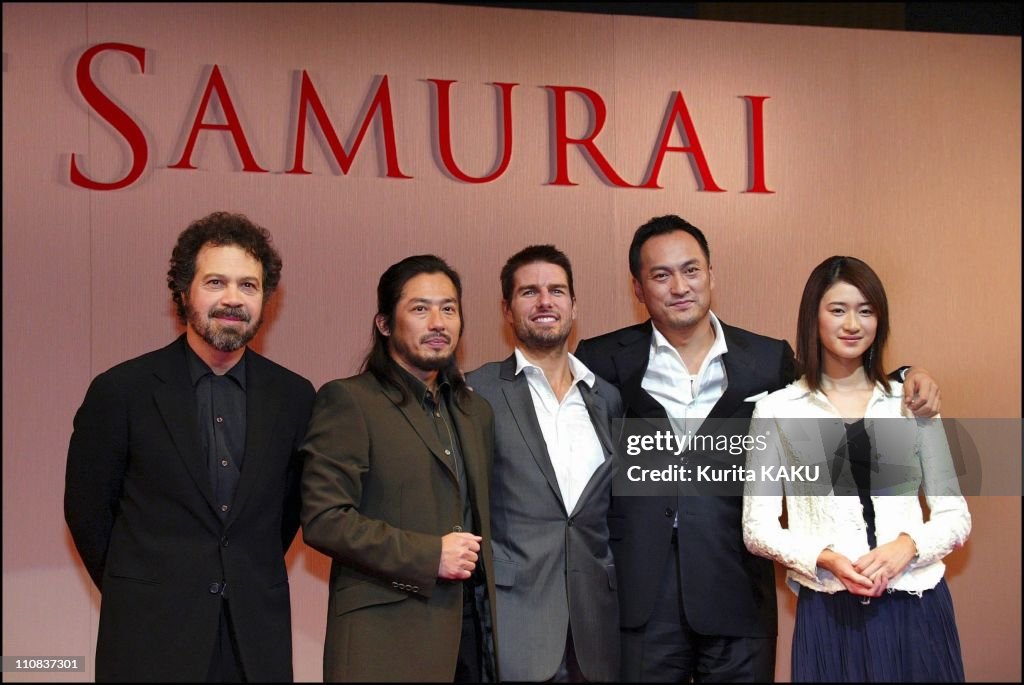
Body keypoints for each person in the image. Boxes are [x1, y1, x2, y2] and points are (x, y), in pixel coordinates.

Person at [573, 215, 941, 682]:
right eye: (661, 275)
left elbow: (833, 384)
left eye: (691, 270)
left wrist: (908, 375)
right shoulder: (600, 359)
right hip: (641, 594)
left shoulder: (768, 359)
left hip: (737, 589)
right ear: (638, 287)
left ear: (711, 275)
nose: (679, 286)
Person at [64, 212, 315, 682]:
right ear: (183, 292)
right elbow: (87, 512)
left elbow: (288, 513)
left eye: (249, 286)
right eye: (216, 282)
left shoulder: (296, 398)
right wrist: (143, 588)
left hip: (253, 641)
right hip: (147, 637)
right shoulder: (122, 391)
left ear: (265, 300)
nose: (233, 299)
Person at [742, 255, 970, 681]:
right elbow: (757, 528)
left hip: (916, 604)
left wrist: (908, 545)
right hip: (830, 610)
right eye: (838, 310)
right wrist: (823, 558)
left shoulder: (911, 402)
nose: (853, 324)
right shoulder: (776, 409)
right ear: (814, 317)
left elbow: (955, 515)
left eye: (866, 311)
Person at [300, 255, 498, 682]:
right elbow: (324, 520)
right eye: (420, 308)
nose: (438, 322)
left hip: (469, 638)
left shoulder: (474, 411)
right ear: (385, 324)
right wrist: (430, 555)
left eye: (449, 308)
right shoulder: (349, 401)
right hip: (384, 639)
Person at [467, 245, 622, 682]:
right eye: (529, 292)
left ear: (574, 305)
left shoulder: (606, 397)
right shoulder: (476, 392)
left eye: (557, 290)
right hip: (515, 618)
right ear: (507, 308)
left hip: (595, 624)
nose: (545, 302)